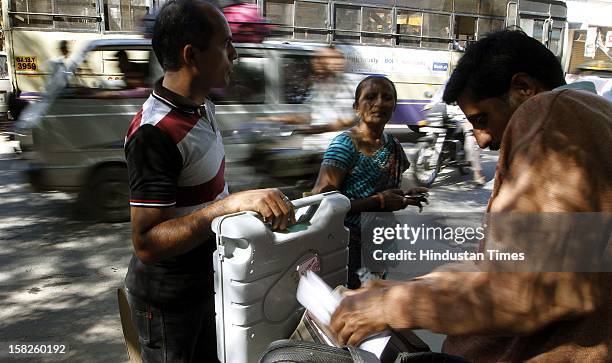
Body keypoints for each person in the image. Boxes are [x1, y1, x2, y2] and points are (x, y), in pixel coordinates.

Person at [329, 29, 611, 361]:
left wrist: (397, 303)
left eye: (481, 119)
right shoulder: (592, 116)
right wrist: (403, 289)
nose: (480, 140)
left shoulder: (550, 113)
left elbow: (539, 288)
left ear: (524, 88)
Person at [123, 1, 295, 362]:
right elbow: (147, 243)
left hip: (207, 283)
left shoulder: (201, 105)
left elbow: (207, 191)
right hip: (169, 304)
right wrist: (230, 206)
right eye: (225, 43)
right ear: (192, 55)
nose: (234, 53)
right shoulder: (155, 133)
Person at [311, 76, 427, 289]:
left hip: (379, 242)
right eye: (371, 97)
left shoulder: (393, 145)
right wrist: (379, 202)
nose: (379, 103)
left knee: (374, 293)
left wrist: (404, 196)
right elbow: (323, 203)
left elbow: (384, 190)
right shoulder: (344, 145)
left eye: (387, 98)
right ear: (357, 107)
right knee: (356, 300)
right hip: (349, 247)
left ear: (394, 107)